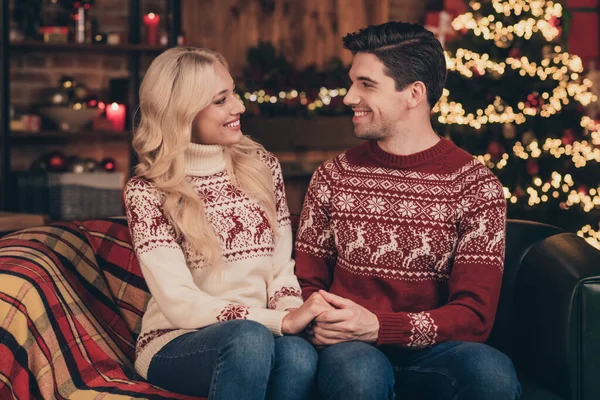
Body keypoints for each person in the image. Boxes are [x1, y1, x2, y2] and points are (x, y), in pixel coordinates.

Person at [294, 22, 521, 400]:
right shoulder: (333, 176)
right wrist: (321, 322)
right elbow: (306, 282)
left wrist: (382, 327)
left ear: (414, 93)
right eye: (352, 82)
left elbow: (475, 316)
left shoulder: (475, 186)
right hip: (349, 350)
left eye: (366, 84)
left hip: (435, 351)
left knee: (492, 373)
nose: (350, 97)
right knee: (361, 374)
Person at [125, 46, 330, 400]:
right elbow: (178, 302)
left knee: (298, 356)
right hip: (176, 341)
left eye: (232, 92)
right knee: (248, 340)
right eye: (221, 100)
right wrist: (276, 323)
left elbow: (281, 269)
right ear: (183, 112)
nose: (239, 107)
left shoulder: (261, 166)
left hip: (260, 334)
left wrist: (290, 315)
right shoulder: (147, 192)